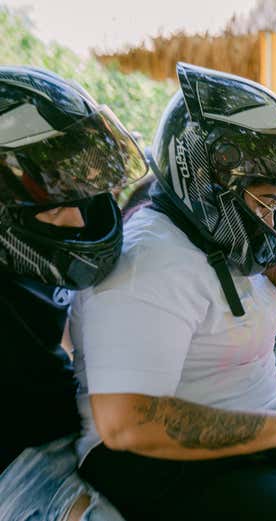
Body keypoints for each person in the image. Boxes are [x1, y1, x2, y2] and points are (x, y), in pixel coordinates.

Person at [70, 64, 276, 521]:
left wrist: (274, 285)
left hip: (259, 416)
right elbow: (127, 422)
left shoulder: (215, 233)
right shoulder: (149, 264)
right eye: (265, 200)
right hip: (158, 461)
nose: (272, 219)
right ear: (209, 183)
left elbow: (224, 323)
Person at [0, 66, 146, 520]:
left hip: (70, 421)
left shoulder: (33, 252)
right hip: (16, 460)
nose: (80, 221)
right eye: (59, 207)